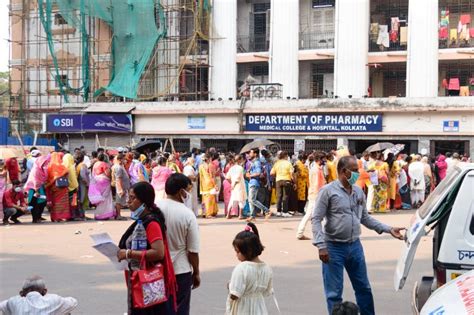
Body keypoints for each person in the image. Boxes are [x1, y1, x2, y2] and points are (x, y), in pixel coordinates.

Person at [312, 156, 405, 315]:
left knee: (363, 288)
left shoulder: (358, 191)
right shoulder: (327, 191)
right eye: (354, 170)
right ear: (343, 171)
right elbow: (316, 219)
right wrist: (321, 246)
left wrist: (388, 229)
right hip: (333, 248)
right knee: (334, 293)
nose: (358, 173)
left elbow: (365, 218)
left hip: (354, 246)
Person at [117, 182, 177, 315]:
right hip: (138, 279)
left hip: (148, 281)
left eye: (133, 198)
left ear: (143, 201)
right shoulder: (141, 221)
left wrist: (128, 253)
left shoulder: (151, 223)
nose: (129, 201)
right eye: (129, 197)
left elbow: (158, 252)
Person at [157, 174, 201, 315]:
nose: (188, 194)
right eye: (187, 190)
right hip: (180, 271)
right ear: (181, 191)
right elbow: (193, 250)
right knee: (180, 309)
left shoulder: (154, 208)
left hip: (156, 269)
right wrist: (196, 272)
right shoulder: (187, 214)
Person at [226, 223, 273, 315]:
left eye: (237, 251)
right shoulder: (267, 268)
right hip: (260, 309)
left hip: (242, 310)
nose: (236, 255)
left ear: (248, 251)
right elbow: (267, 292)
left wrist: (230, 285)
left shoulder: (242, 268)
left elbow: (235, 294)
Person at [0, 275, 78, 314]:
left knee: (8, 310)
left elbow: (2, 305)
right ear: (44, 291)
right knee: (65, 311)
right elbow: (73, 302)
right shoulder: (54, 299)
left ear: (21, 293)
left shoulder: (13, 301)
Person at [296, 151, 326, 240]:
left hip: (315, 195)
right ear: (319, 160)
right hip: (316, 195)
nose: (325, 160)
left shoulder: (317, 169)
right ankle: (301, 233)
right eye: (323, 159)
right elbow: (316, 185)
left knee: (313, 215)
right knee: (314, 215)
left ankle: (300, 233)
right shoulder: (316, 170)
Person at [245, 148, 270, 222]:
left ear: (255, 154)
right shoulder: (253, 162)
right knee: (250, 200)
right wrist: (248, 172)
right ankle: (252, 216)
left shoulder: (257, 162)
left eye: (251, 153)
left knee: (252, 200)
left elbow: (259, 173)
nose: (249, 154)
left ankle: (266, 210)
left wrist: (250, 175)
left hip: (254, 182)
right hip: (251, 182)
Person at [24, 154, 50, 223]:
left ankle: (38, 217)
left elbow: (44, 178)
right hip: (33, 188)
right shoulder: (36, 169)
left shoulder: (42, 169)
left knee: (43, 202)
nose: (45, 163)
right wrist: (36, 190)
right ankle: (35, 218)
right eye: (44, 162)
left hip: (39, 187)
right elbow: (34, 179)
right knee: (34, 203)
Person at [89, 153, 115, 220]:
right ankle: (104, 215)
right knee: (105, 198)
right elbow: (107, 173)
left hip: (96, 181)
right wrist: (111, 179)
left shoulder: (95, 164)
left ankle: (98, 214)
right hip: (104, 181)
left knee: (100, 198)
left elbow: (93, 173)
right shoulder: (104, 164)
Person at [46, 152, 71, 222]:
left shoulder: (49, 166)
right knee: (62, 203)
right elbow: (67, 172)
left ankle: (54, 217)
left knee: (54, 203)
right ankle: (61, 217)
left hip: (53, 187)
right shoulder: (61, 166)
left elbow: (47, 178)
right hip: (62, 187)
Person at [270, 151, 294, 217]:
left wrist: (277, 176)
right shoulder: (288, 163)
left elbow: (271, 173)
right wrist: (293, 181)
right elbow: (291, 173)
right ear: (286, 156)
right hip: (287, 180)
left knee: (279, 196)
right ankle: (285, 212)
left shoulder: (277, 163)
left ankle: (278, 211)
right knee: (285, 196)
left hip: (278, 180)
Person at [226, 155, 247, 219]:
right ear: (239, 160)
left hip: (234, 186)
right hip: (239, 185)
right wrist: (234, 184)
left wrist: (232, 184)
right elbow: (238, 178)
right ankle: (240, 215)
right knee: (241, 200)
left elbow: (227, 177)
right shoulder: (240, 168)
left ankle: (228, 214)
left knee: (232, 200)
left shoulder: (232, 168)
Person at [112, 154, 129, 220]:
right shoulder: (118, 167)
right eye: (124, 159)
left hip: (123, 186)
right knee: (118, 201)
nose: (125, 160)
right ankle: (118, 215)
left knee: (120, 201)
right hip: (120, 187)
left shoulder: (121, 166)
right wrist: (120, 189)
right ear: (120, 159)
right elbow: (118, 179)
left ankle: (118, 214)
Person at [62, 153, 80, 219]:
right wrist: (76, 186)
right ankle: (73, 215)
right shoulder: (71, 167)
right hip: (73, 188)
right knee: (73, 202)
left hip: (65, 187)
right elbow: (73, 178)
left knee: (66, 203)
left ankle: (67, 216)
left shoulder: (62, 166)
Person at [75, 152, 90, 218]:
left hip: (79, 183)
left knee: (81, 199)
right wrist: (87, 183)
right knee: (82, 199)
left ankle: (81, 214)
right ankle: (82, 214)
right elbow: (83, 176)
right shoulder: (82, 166)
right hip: (82, 184)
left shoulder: (77, 165)